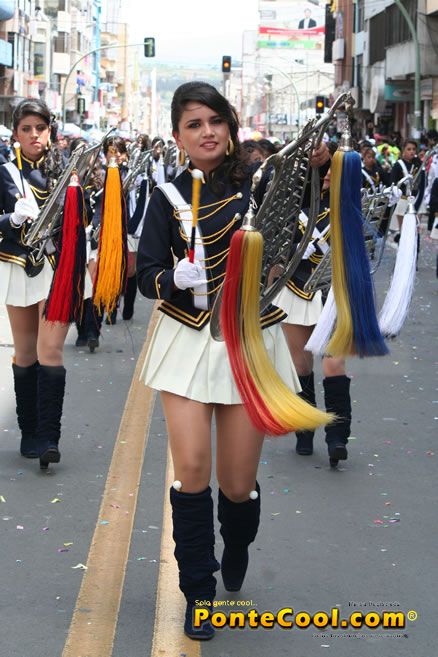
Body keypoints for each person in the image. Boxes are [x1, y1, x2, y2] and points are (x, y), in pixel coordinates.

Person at [136, 81, 330, 641]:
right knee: (192, 469)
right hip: (187, 339)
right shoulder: (166, 196)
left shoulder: (262, 185)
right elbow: (146, 273)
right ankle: (198, 590)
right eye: (194, 124)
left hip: (250, 340)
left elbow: (307, 227)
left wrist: (321, 167)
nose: (207, 132)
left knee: (237, 484)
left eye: (215, 121)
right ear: (178, 136)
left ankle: (238, 540)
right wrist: (172, 278)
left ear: (230, 125)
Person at [0, 99, 69, 469]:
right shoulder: (5, 172)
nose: (33, 135)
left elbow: (83, 221)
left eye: (40, 128)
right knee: (26, 352)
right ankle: (29, 432)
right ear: (16, 133)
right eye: (26, 129)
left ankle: (49, 437)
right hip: (18, 266)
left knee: (51, 350)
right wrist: (10, 219)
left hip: (57, 269)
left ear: (49, 132)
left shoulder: (66, 170)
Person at [274, 169, 352, 467]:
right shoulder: (290, 206)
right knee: (301, 365)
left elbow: (366, 244)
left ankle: (337, 436)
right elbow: (271, 247)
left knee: (334, 364)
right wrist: (293, 250)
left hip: (333, 293)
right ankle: (305, 428)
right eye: (323, 169)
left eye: (333, 167)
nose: (329, 174)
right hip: (296, 290)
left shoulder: (347, 204)